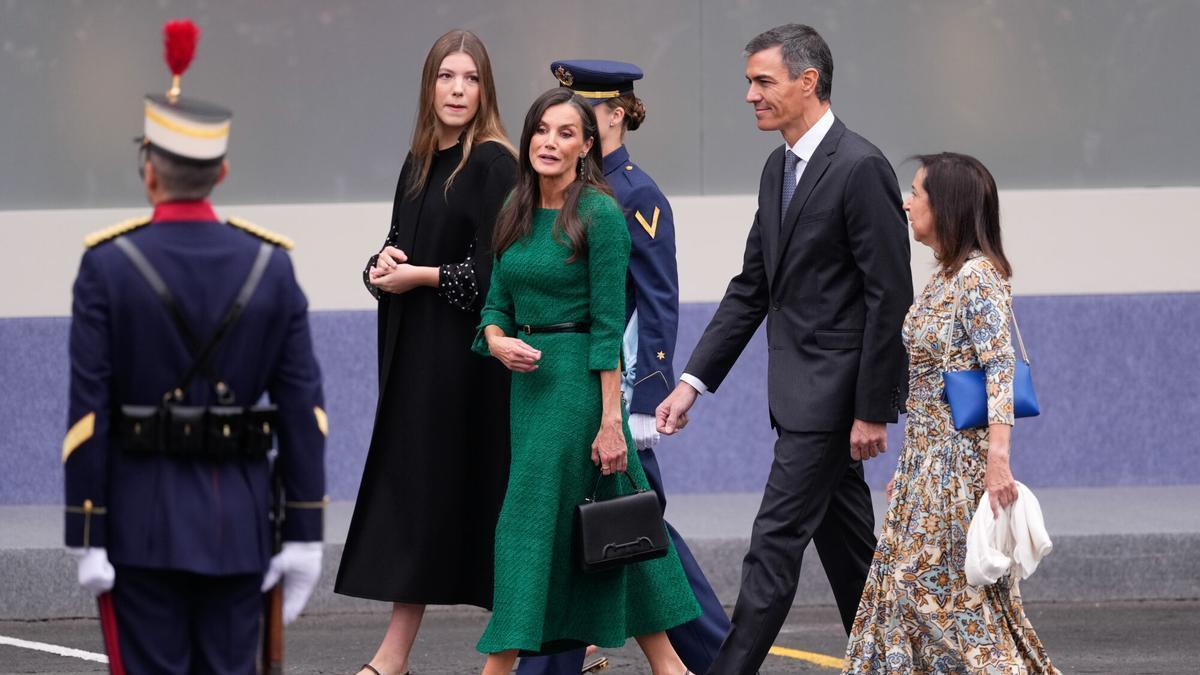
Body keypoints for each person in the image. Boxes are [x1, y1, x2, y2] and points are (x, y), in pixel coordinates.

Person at [64, 20, 326, 673]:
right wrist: (305, 531)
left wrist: (86, 530)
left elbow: (87, 411)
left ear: (148, 171)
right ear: (223, 170)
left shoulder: (107, 265)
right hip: (238, 525)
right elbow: (304, 411)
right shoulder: (272, 266)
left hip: (138, 527)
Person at [656, 24, 913, 674]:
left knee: (771, 546)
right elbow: (752, 287)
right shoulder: (779, 168)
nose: (750, 95)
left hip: (831, 405)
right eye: (749, 81)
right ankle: (902, 664)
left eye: (762, 81)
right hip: (798, 400)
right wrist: (693, 382)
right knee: (855, 558)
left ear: (808, 82)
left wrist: (872, 408)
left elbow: (890, 296)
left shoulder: (861, 168)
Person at [473, 87, 700, 675]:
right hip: (529, 392)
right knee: (612, 530)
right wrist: (497, 341)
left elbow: (606, 326)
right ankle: (670, 667)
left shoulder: (599, 212)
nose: (549, 142)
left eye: (565, 133)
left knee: (524, 526)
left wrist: (609, 423)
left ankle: (497, 666)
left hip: (579, 390)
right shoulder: (514, 209)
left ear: (586, 146)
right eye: (541, 130)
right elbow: (494, 305)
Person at [515, 60, 730, 675]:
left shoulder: (634, 194)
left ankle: (715, 656)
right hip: (566, 388)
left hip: (613, 392)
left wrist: (641, 405)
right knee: (625, 529)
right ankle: (712, 657)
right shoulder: (560, 189)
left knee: (637, 531)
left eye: (581, 116)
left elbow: (656, 300)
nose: (565, 130)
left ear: (613, 114)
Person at [333, 29, 518, 675]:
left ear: (484, 89)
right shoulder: (417, 163)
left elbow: (499, 273)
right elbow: (395, 248)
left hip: (471, 370)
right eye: (447, 77)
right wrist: (380, 266)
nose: (458, 89)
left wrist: (422, 277)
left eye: (470, 78)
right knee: (413, 504)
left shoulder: (496, 162)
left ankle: (513, 653)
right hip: (414, 366)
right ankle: (394, 656)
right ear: (429, 86)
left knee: (486, 507)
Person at [842, 153, 1059, 672]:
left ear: (948, 206)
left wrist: (998, 461)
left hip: (959, 469)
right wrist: (909, 468)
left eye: (917, 192)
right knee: (907, 595)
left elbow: (999, 369)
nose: (906, 201)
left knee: (943, 599)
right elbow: (926, 386)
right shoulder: (944, 277)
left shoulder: (978, 277)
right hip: (925, 468)